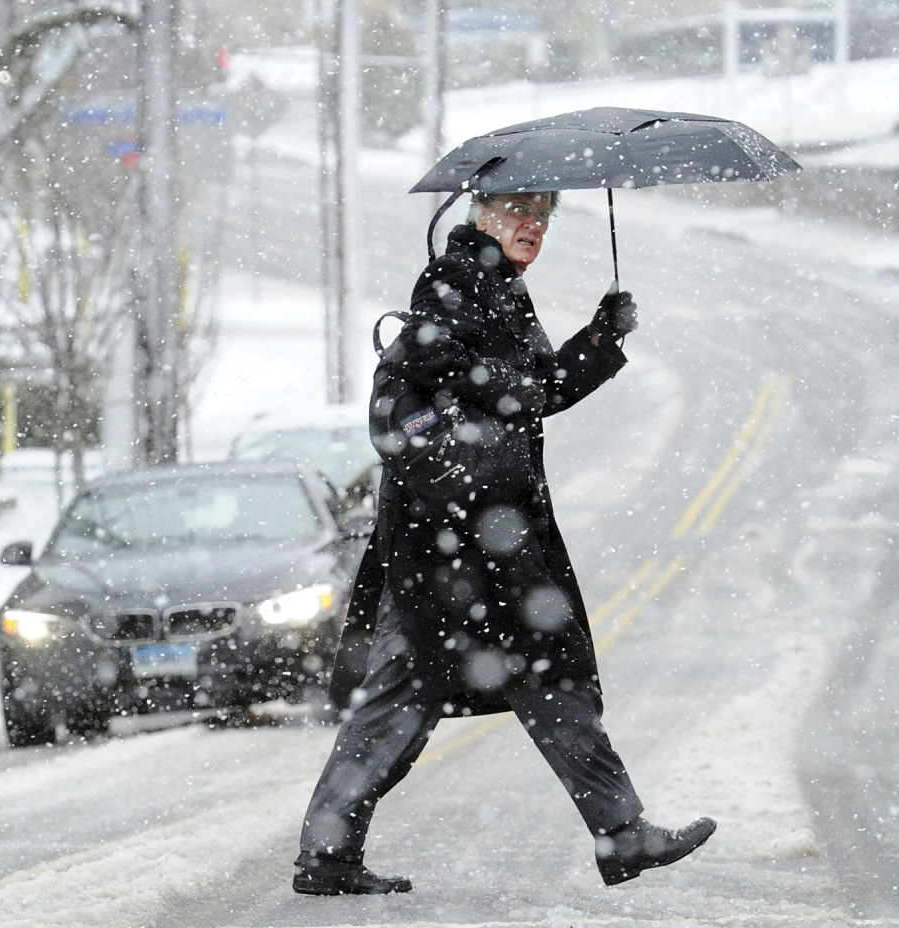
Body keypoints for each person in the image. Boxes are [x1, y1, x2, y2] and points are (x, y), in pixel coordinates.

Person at [293, 190, 716, 896]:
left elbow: (535, 391)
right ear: (480, 213)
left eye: (544, 214)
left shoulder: (497, 291)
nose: (533, 225)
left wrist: (599, 338)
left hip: (480, 541)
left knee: (537, 679)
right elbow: (456, 400)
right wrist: (491, 445)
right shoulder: (453, 289)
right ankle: (328, 854)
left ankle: (621, 830)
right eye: (519, 209)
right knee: (423, 690)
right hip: (448, 544)